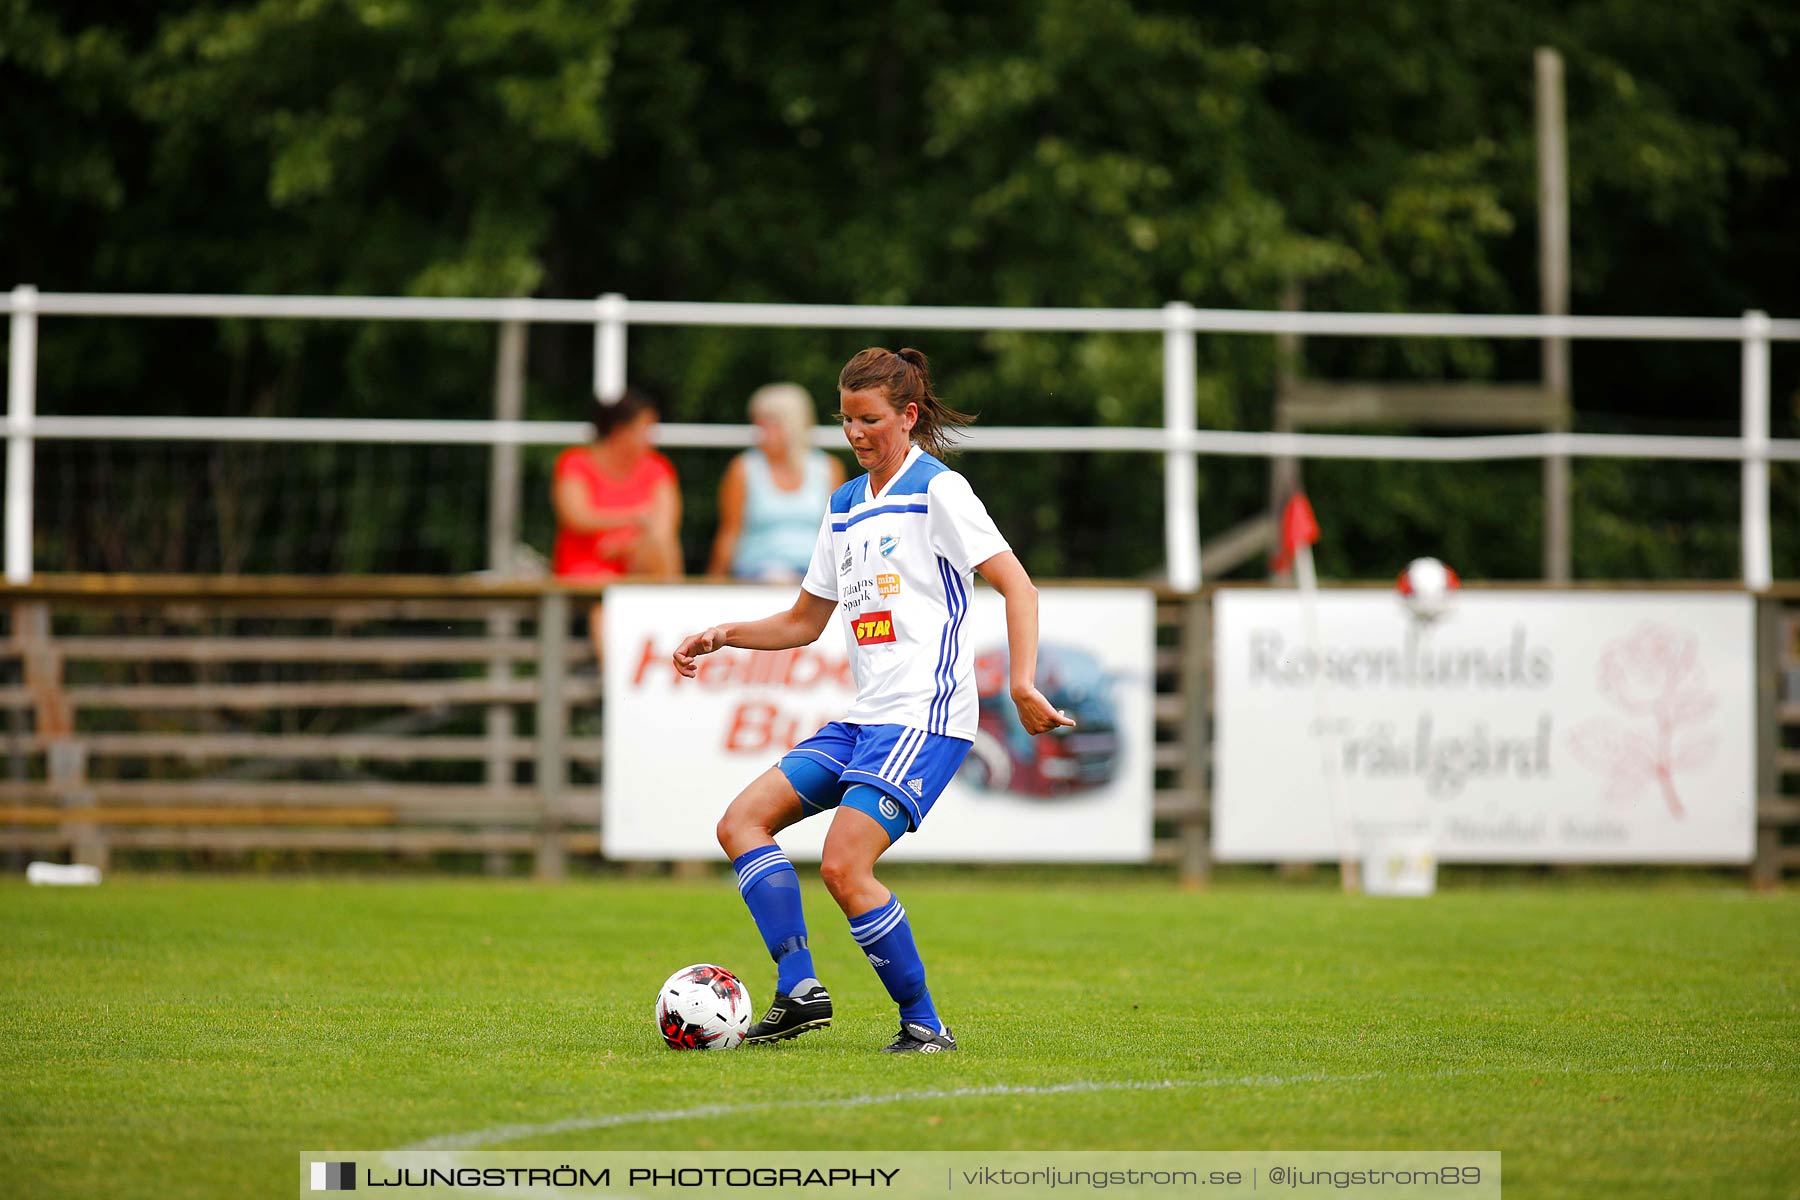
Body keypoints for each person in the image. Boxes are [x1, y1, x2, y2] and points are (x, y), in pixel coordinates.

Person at [673, 347, 1075, 1054]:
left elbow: (1020, 586)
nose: (856, 433)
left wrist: (1020, 682)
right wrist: (723, 634)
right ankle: (799, 992)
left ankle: (925, 1025)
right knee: (741, 823)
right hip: (865, 720)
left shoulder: (939, 491)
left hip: (926, 718)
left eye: (870, 419)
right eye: (846, 419)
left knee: (842, 865)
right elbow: (804, 622)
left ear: (909, 416)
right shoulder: (844, 505)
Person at [552, 388, 682, 663]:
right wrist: (634, 518)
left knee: (660, 549)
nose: (652, 437)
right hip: (589, 569)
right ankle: (622, 679)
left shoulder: (657, 468)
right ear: (621, 431)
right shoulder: (576, 463)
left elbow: (664, 528)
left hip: (640, 565)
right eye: (646, 428)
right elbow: (575, 516)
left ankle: (669, 639)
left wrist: (625, 544)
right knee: (606, 608)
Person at [706, 382, 846, 581]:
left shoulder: (828, 469)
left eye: (765, 424)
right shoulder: (743, 469)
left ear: (791, 425)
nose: (758, 433)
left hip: (814, 578)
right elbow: (730, 533)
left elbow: (839, 535)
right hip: (753, 575)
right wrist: (713, 583)